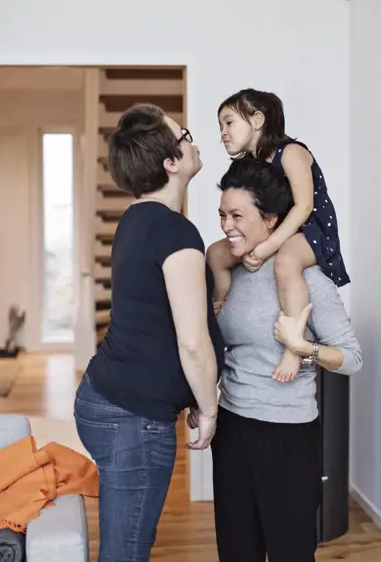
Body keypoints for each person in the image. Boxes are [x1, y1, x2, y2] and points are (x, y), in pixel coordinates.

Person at [189, 157, 362, 562]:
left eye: (236, 215)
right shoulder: (230, 272)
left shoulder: (306, 278)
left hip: (287, 436)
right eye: (221, 215)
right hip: (232, 428)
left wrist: (304, 349)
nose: (226, 225)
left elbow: (352, 358)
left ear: (270, 220)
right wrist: (203, 399)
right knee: (236, 551)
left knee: (291, 553)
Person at [74, 104, 224, 562]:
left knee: (130, 541)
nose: (195, 142)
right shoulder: (174, 232)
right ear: (171, 163)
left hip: (111, 402)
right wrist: (209, 408)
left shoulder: (138, 218)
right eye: (186, 136)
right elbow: (192, 341)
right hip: (129, 419)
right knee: (127, 550)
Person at [207, 88, 350, 382]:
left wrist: (267, 246)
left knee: (286, 263)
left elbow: (304, 206)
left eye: (229, 122)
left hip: (311, 229)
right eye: (220, 126)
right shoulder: (250, 163)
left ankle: (292, 347)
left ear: (258, 120)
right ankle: (220, 308)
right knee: (216, 254)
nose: (222, 132)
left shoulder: (291, 153)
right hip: (281, 227)